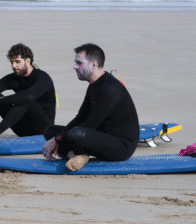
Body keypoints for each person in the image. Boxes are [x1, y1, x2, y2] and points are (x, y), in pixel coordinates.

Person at [42, 43, 139, 171]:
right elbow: (80, 118)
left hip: (121, 146)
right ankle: (75, 155)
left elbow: (90, 125)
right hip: (101, 135)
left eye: (79, 63)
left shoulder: (109, 88)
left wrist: (58, 140)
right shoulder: (94, 85)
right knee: (51, 131)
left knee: (75, 134)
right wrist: (56, 137)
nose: (74, 67)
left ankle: (76, 154)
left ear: (93, 64)